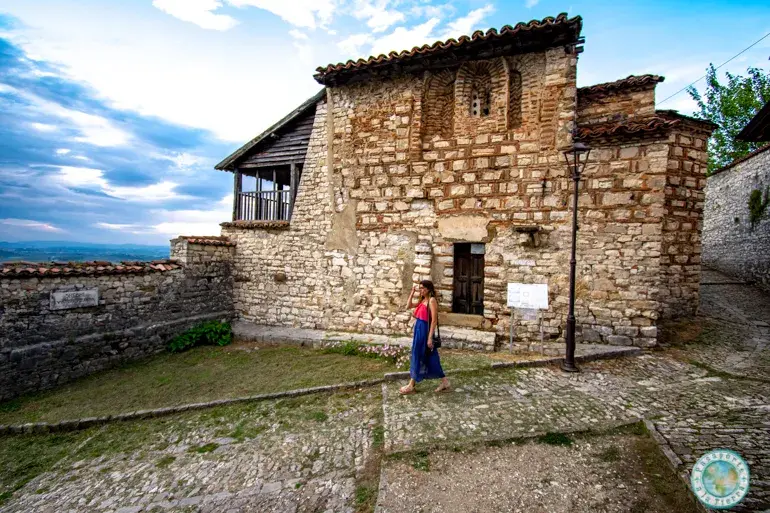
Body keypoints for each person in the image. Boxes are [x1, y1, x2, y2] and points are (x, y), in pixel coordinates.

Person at [399, 280, 450, 395]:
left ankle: (411, 385)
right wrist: (412, 293)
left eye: (422, 288)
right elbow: (408, 306)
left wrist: (429, 337)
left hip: (425, 331)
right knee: (430, 356)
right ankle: (445, 381)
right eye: (419, 288)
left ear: (428, 289)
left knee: (418, 354)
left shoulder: (432, 301)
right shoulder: (423, 300)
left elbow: (434, 320)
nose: (420, 290)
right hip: (418, 330)